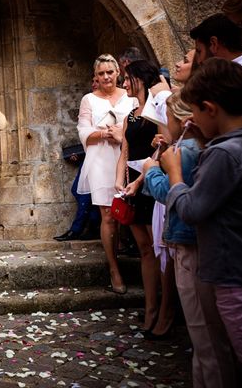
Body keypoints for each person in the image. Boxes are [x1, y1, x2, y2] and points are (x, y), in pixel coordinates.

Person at [162, 58, 242, 384]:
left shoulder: (223, 154)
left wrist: (174, 175)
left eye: (195, 112)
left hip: (230, 272)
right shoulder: (233, 145)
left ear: (210, 108)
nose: (191, 120)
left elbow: (193, 208)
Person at [143, 92, 236, 387]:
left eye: (166, 120)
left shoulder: (186, 150)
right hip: (207, 244)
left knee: (204, 335)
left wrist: (151, 172)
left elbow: (170, 194)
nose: (163, 126)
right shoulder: (204, 147)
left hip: (188, 242)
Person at [116, 59, 176, 335]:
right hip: (133, 186)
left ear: (139, 78)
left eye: (127, 78)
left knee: (160, 249)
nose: (124, 83)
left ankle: (166, 311)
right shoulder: (131, 113)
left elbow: (165, 145)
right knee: (144, 250)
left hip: (152, 184)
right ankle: (150, 308)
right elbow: (125, 151)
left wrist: (141, 180)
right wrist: (120, 181)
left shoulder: (157, 106)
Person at [76, 54, 134, 293]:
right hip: (100, 158)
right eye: (101, 73)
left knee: (130, 209)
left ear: (118, 73)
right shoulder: (89, 99)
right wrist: (104, 134)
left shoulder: (130, 97)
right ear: (95, 77)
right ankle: (114, 269)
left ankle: (132, 249)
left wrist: (123, 133)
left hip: (127, 155)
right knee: (108, 213)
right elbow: (83, 132)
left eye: (110, 72)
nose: (106, 77)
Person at [55, 77, 101, 242]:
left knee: (88, 193)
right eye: (93, 80)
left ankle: (78, 229)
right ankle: (92, 226)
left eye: (97, 80)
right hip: (88, 154)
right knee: (80, 190)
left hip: (102, 154)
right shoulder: (89, 101)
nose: (94, 83)